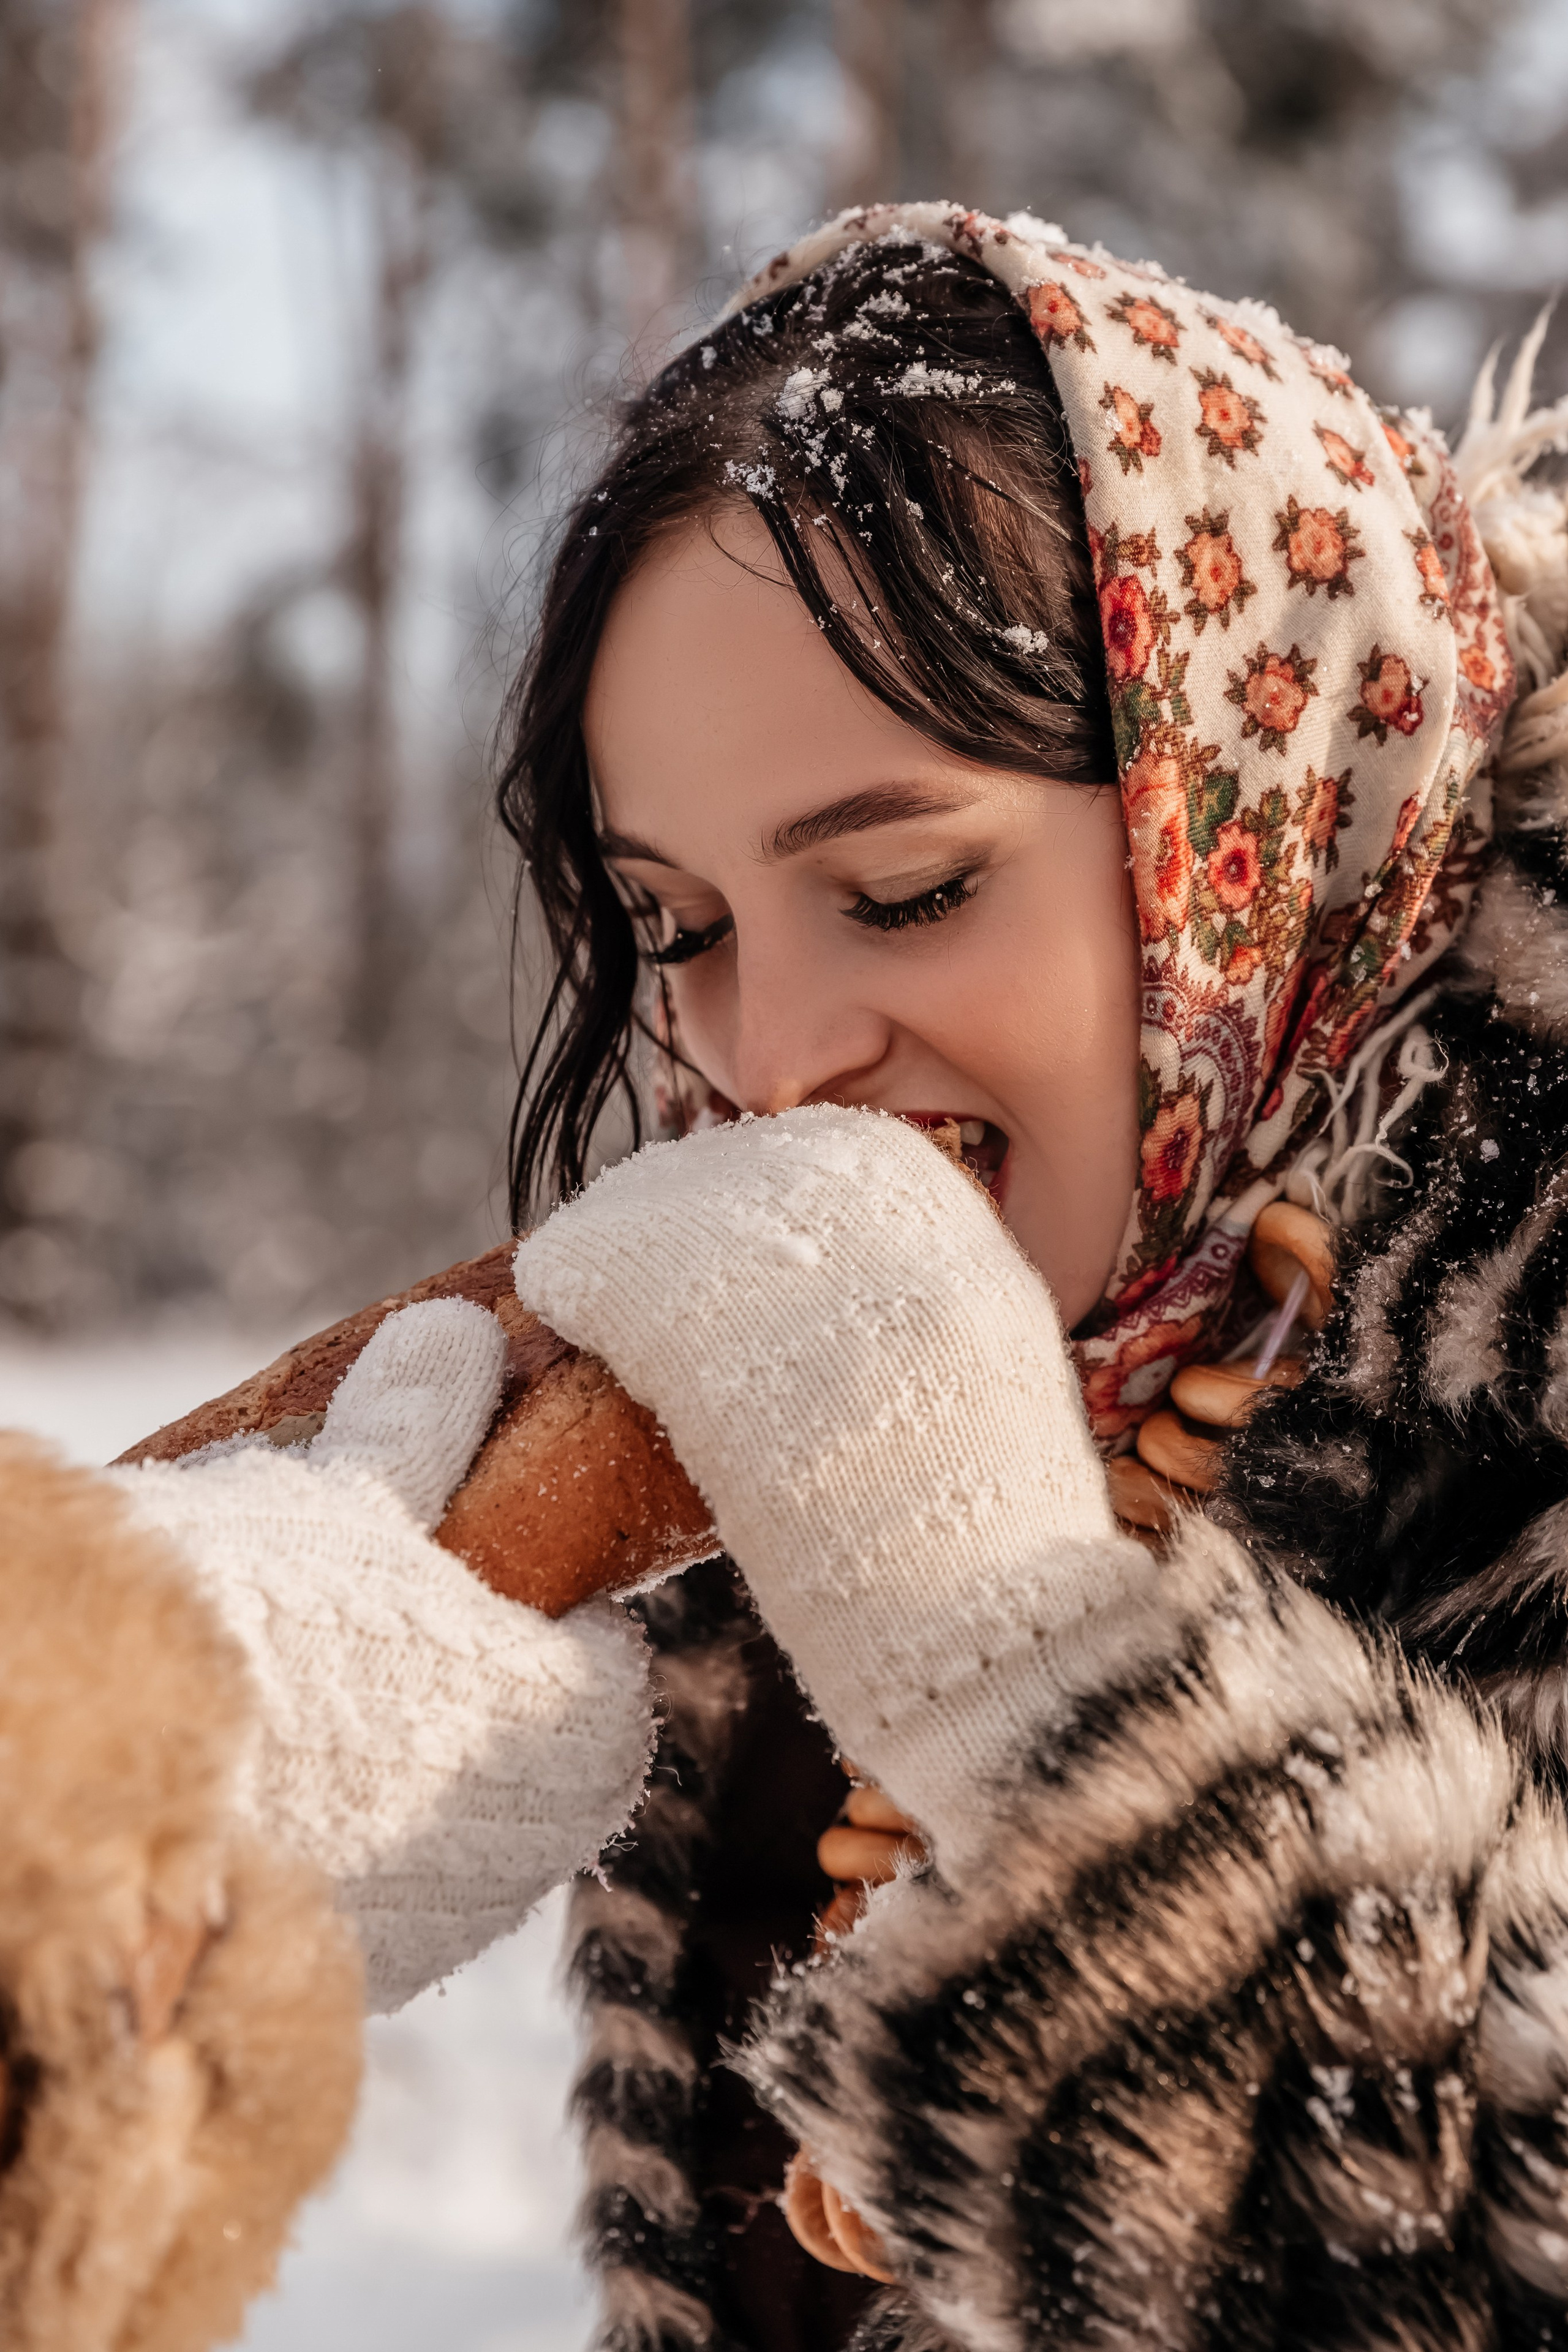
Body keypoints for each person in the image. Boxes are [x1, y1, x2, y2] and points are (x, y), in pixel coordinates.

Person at [488, 204, 1568, 2352]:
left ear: (1264, 818)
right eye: (677, 925)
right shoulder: (830, 1423)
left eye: (900, 890)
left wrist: (1025, 1685)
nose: (766, 1060)